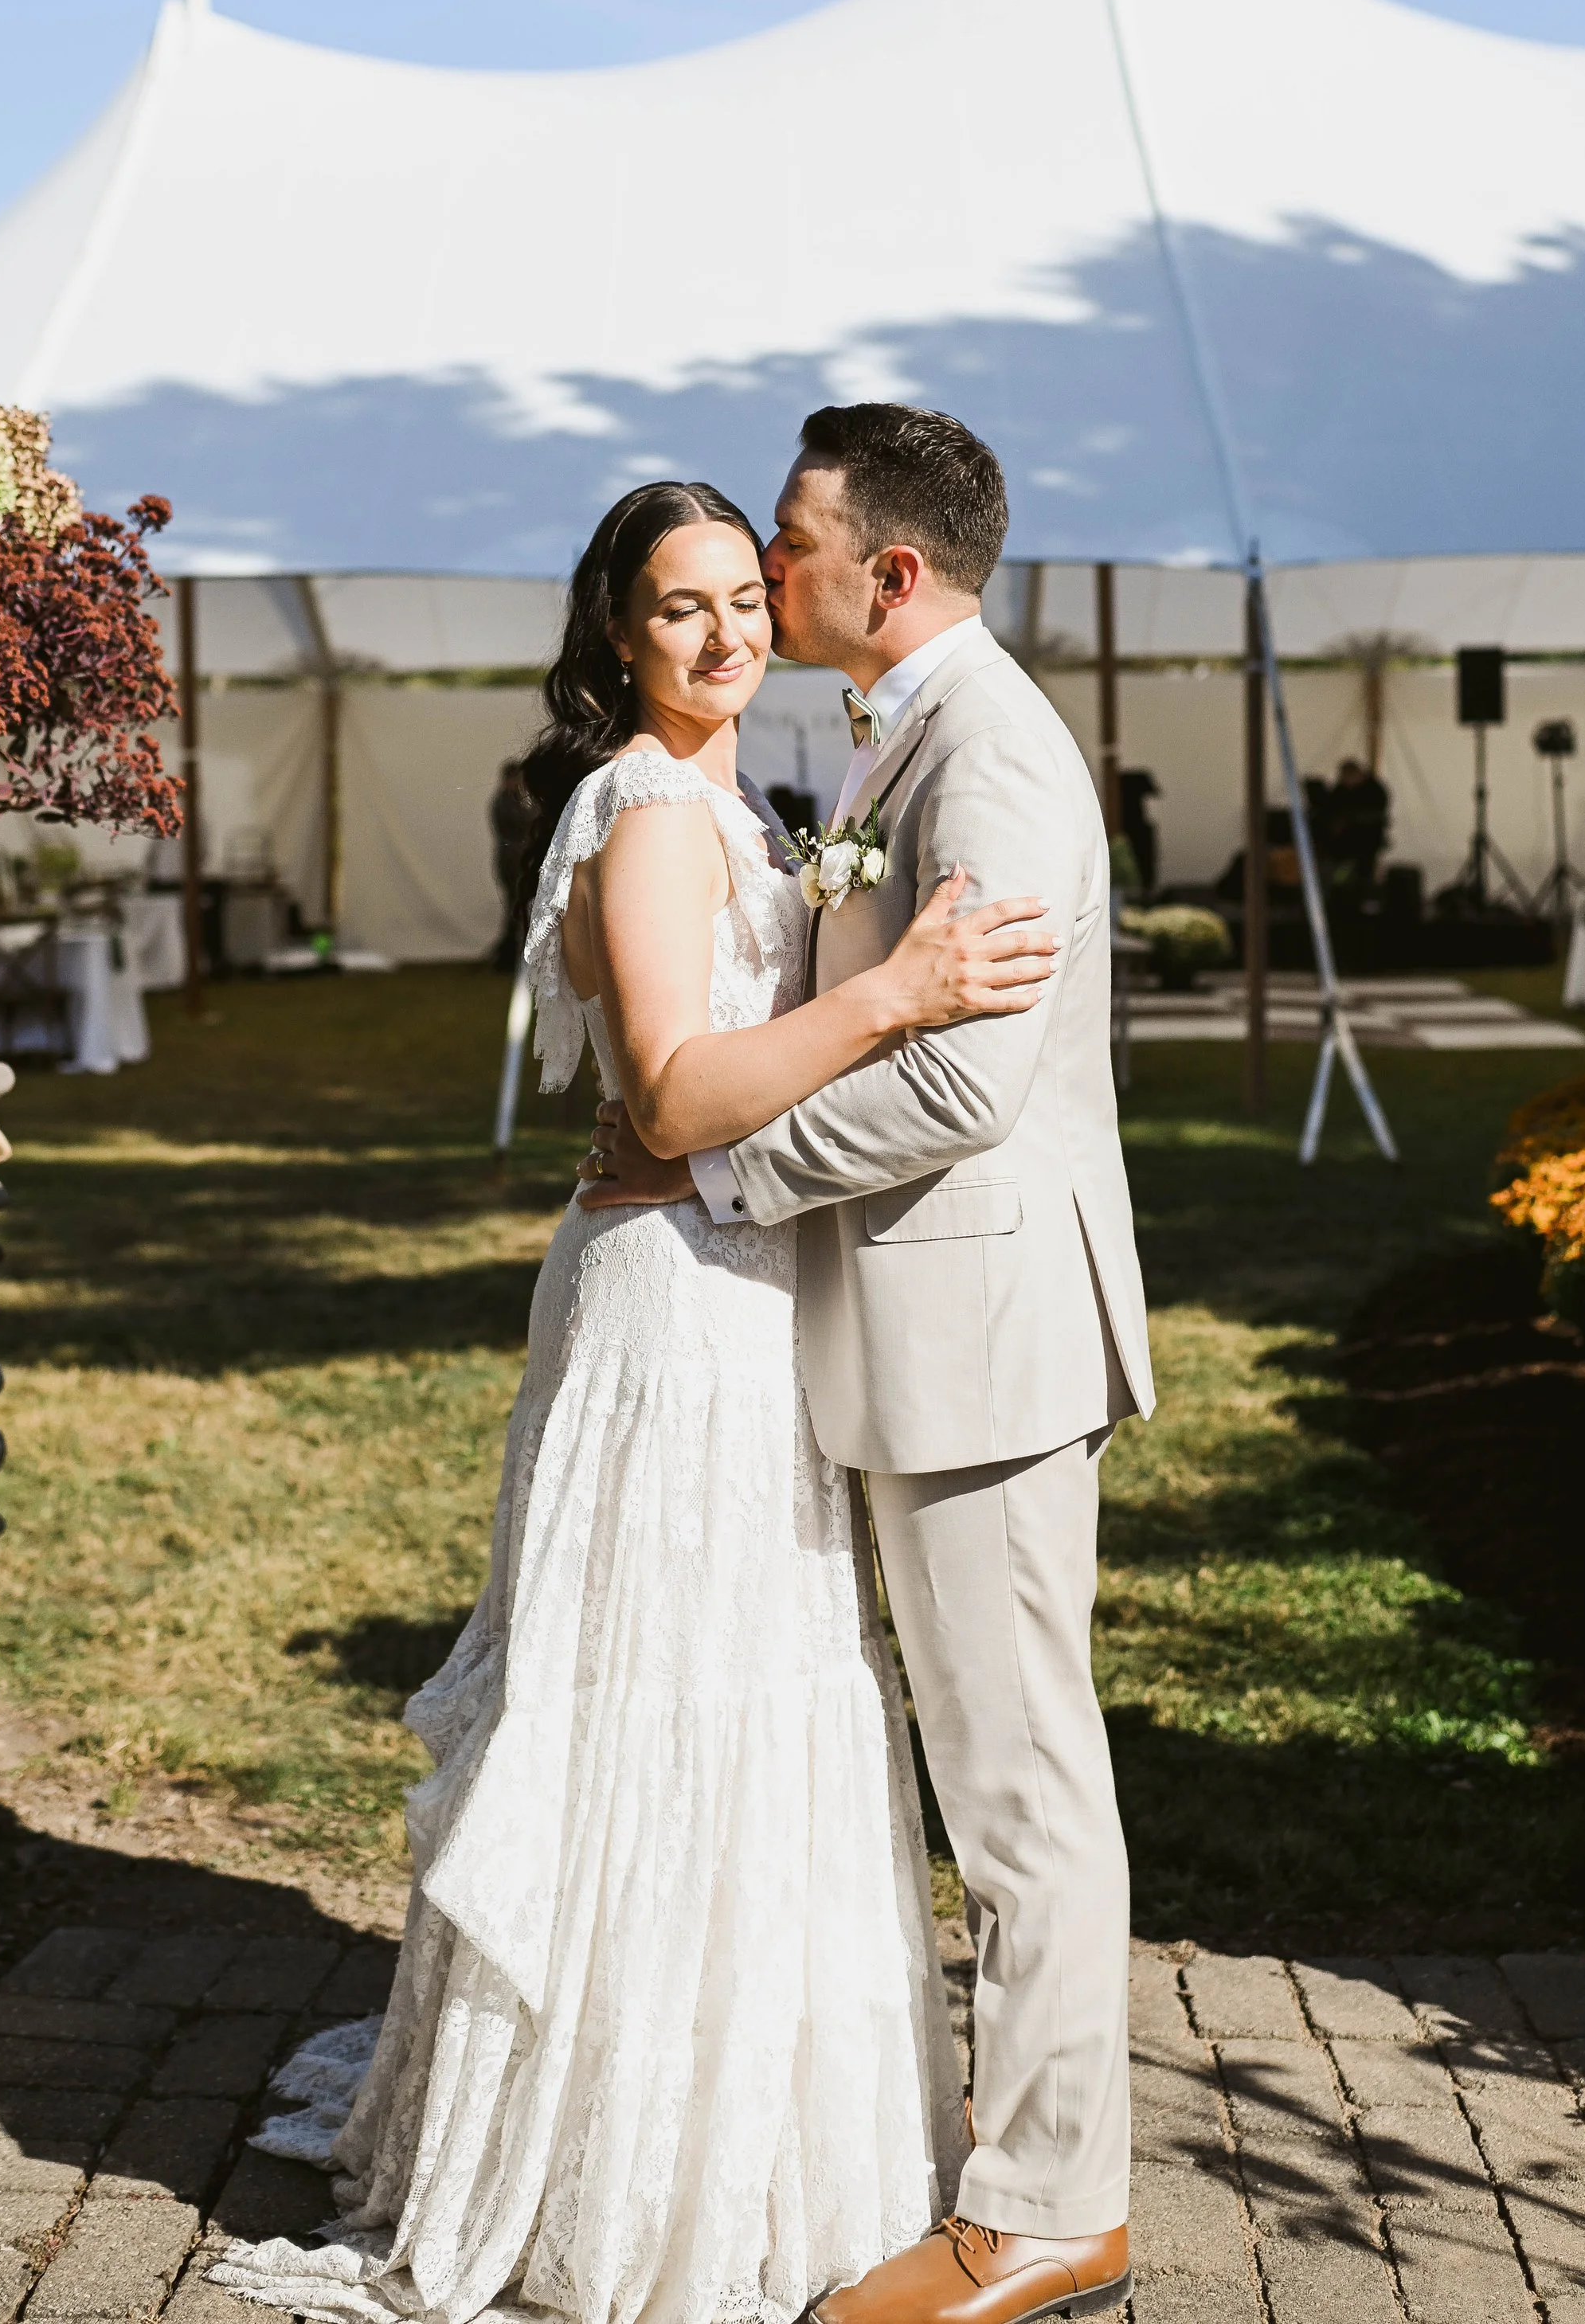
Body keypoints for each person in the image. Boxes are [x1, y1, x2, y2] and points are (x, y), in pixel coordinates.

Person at [212, 474, 1058, 2324]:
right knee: (671, 1693)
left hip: (739, 1290)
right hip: (677, 1308)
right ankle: (635, 2158)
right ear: (618, 631)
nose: (729, 631)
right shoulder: (651, 810)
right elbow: (673, 1097)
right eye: (681, 606)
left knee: (750, 1685)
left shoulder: (729, 801)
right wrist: (900, 983)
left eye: (748, 594)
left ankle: (751, 2124)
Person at [587, 404, 1153, 2324]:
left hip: (983, 1328)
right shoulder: (904, 734)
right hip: (919, 1321)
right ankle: (1014, 2161)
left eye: (800, 543)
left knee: (1018, 1783)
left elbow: (966, 1075)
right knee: (992, 1766)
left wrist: (722, 1160)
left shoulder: (984, 754)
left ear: (887, 573)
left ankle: (1052, 2203)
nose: (778, 574)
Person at [487, 758, 538, 970]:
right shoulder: (504, 801)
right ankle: (506, 957)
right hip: (512, 864)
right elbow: (522, 824)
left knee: (516, 910)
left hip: (516, 863)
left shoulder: (512, 799)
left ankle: (508, 957)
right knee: (515, 910)